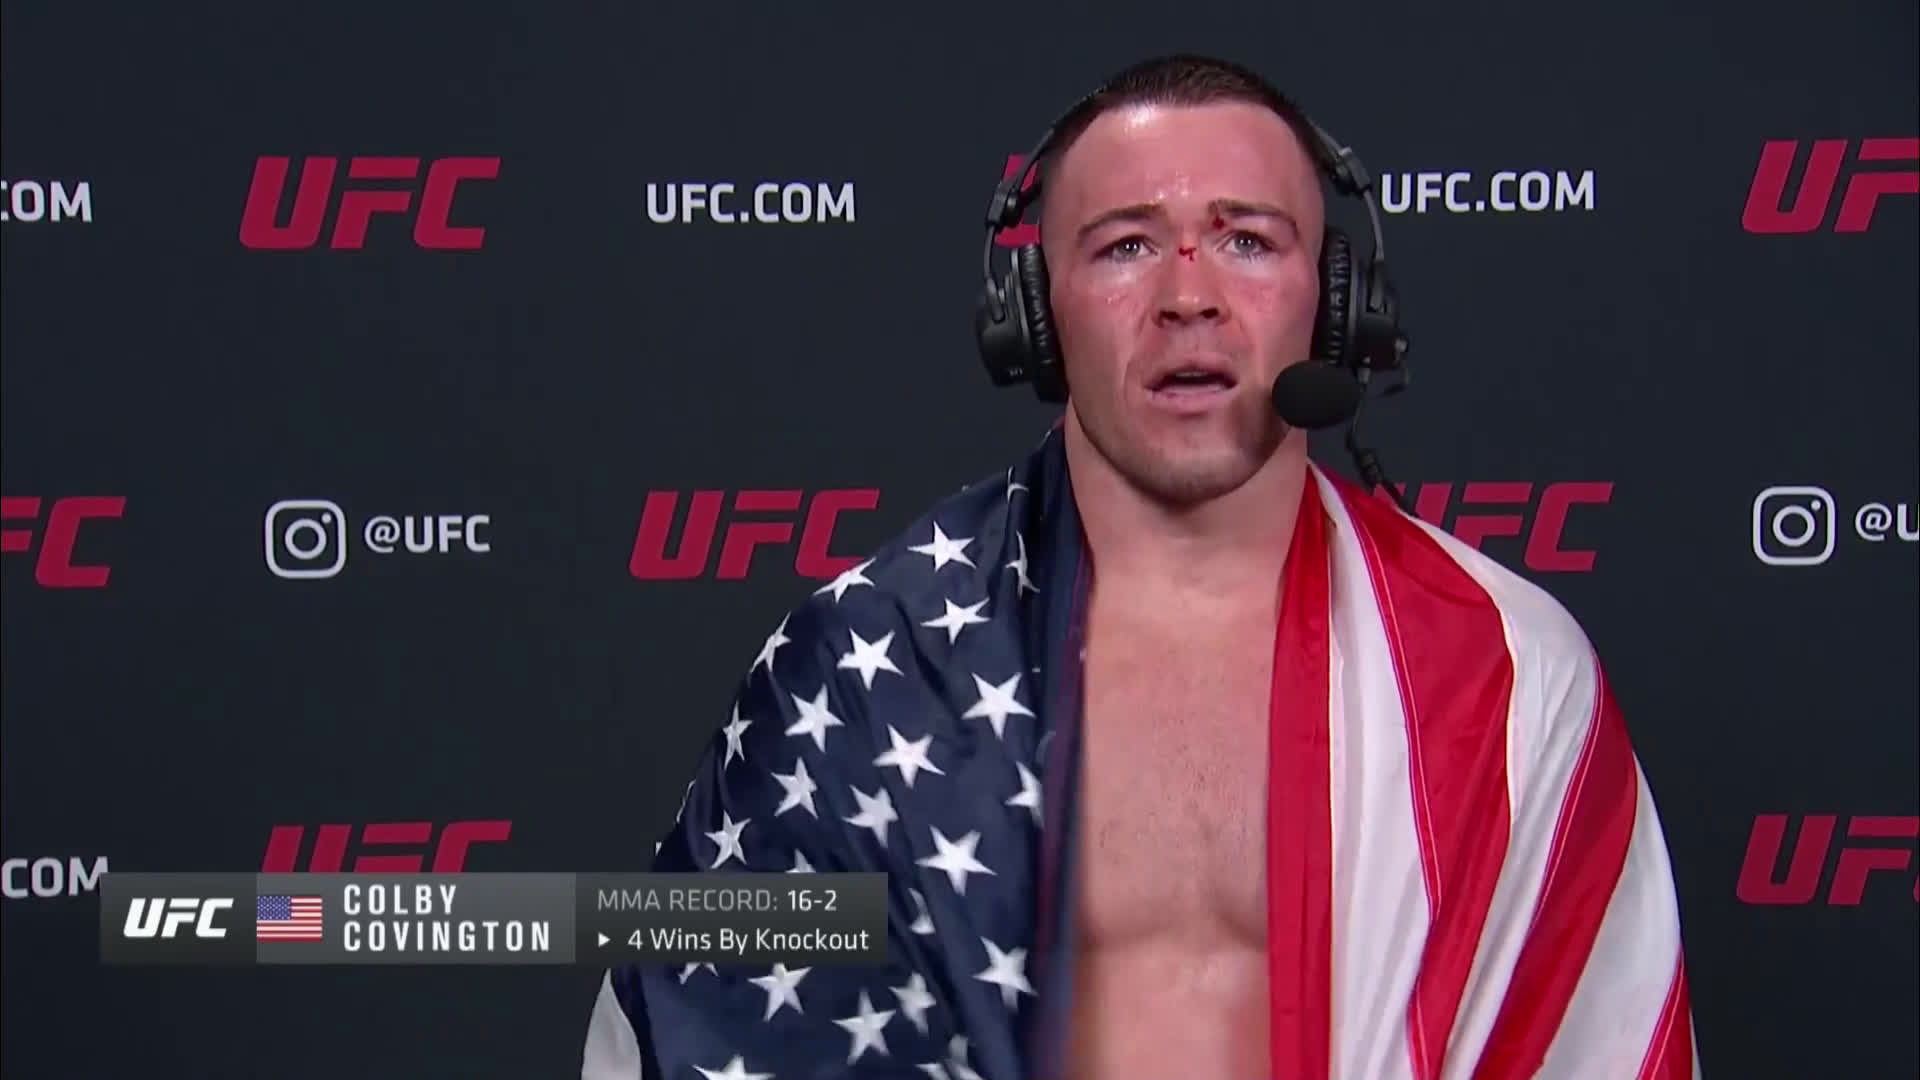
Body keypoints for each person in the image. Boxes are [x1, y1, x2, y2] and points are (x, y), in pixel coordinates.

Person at [582, 53, 1700, 1079]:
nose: (1187, 297)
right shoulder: (869, 663)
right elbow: (695, 1020)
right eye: (1125, 246)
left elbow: (1592, 1046)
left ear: (1338, 306)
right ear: (1034, 317)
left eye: (1247, 240)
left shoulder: (1504, 668)